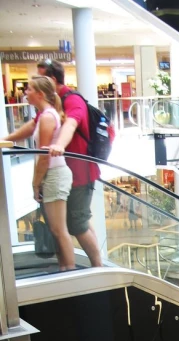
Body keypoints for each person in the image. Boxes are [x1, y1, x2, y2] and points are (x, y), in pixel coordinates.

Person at [44, 61, 102, 267]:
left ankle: (98, 268)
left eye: (40, 79)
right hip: (71, 173)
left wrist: (59, 144)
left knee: (77, 224)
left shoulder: (72, 100)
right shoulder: (55, 103)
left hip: (80, 173)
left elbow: (71, 123)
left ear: (51, 79)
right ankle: (99, 266)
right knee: (79, 221)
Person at [25, 76, 75, 270]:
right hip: (53, 174)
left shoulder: (47, 117)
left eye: (29, 89)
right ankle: (65, 268)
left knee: (59, 229)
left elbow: (44, 156)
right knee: (57, 230)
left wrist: (35, 183)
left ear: (39, 94)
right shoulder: (48, 114)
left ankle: (69, 272)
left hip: (54, 174)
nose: (25, 93)